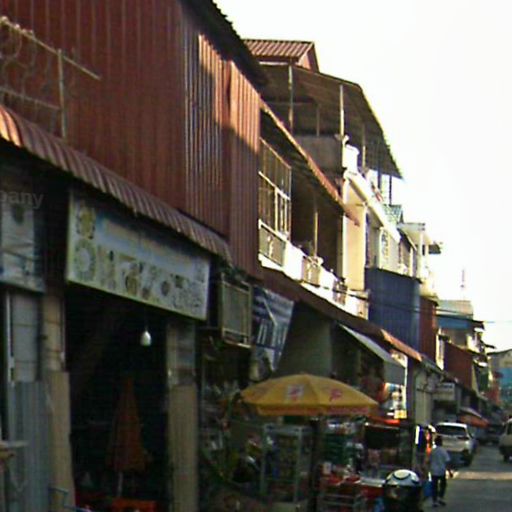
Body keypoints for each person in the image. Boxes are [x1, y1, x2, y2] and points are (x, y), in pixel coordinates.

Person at [429, 436, 453, 507]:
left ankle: (434, 501)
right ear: (441, 442)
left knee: (434, 486)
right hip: (441, 471)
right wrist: (449, 471)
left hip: (433, 471)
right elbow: (447, 462)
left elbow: (429, 461)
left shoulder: (433, 451)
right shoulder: (443, 451)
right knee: (443, 485)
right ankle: (440, 498)